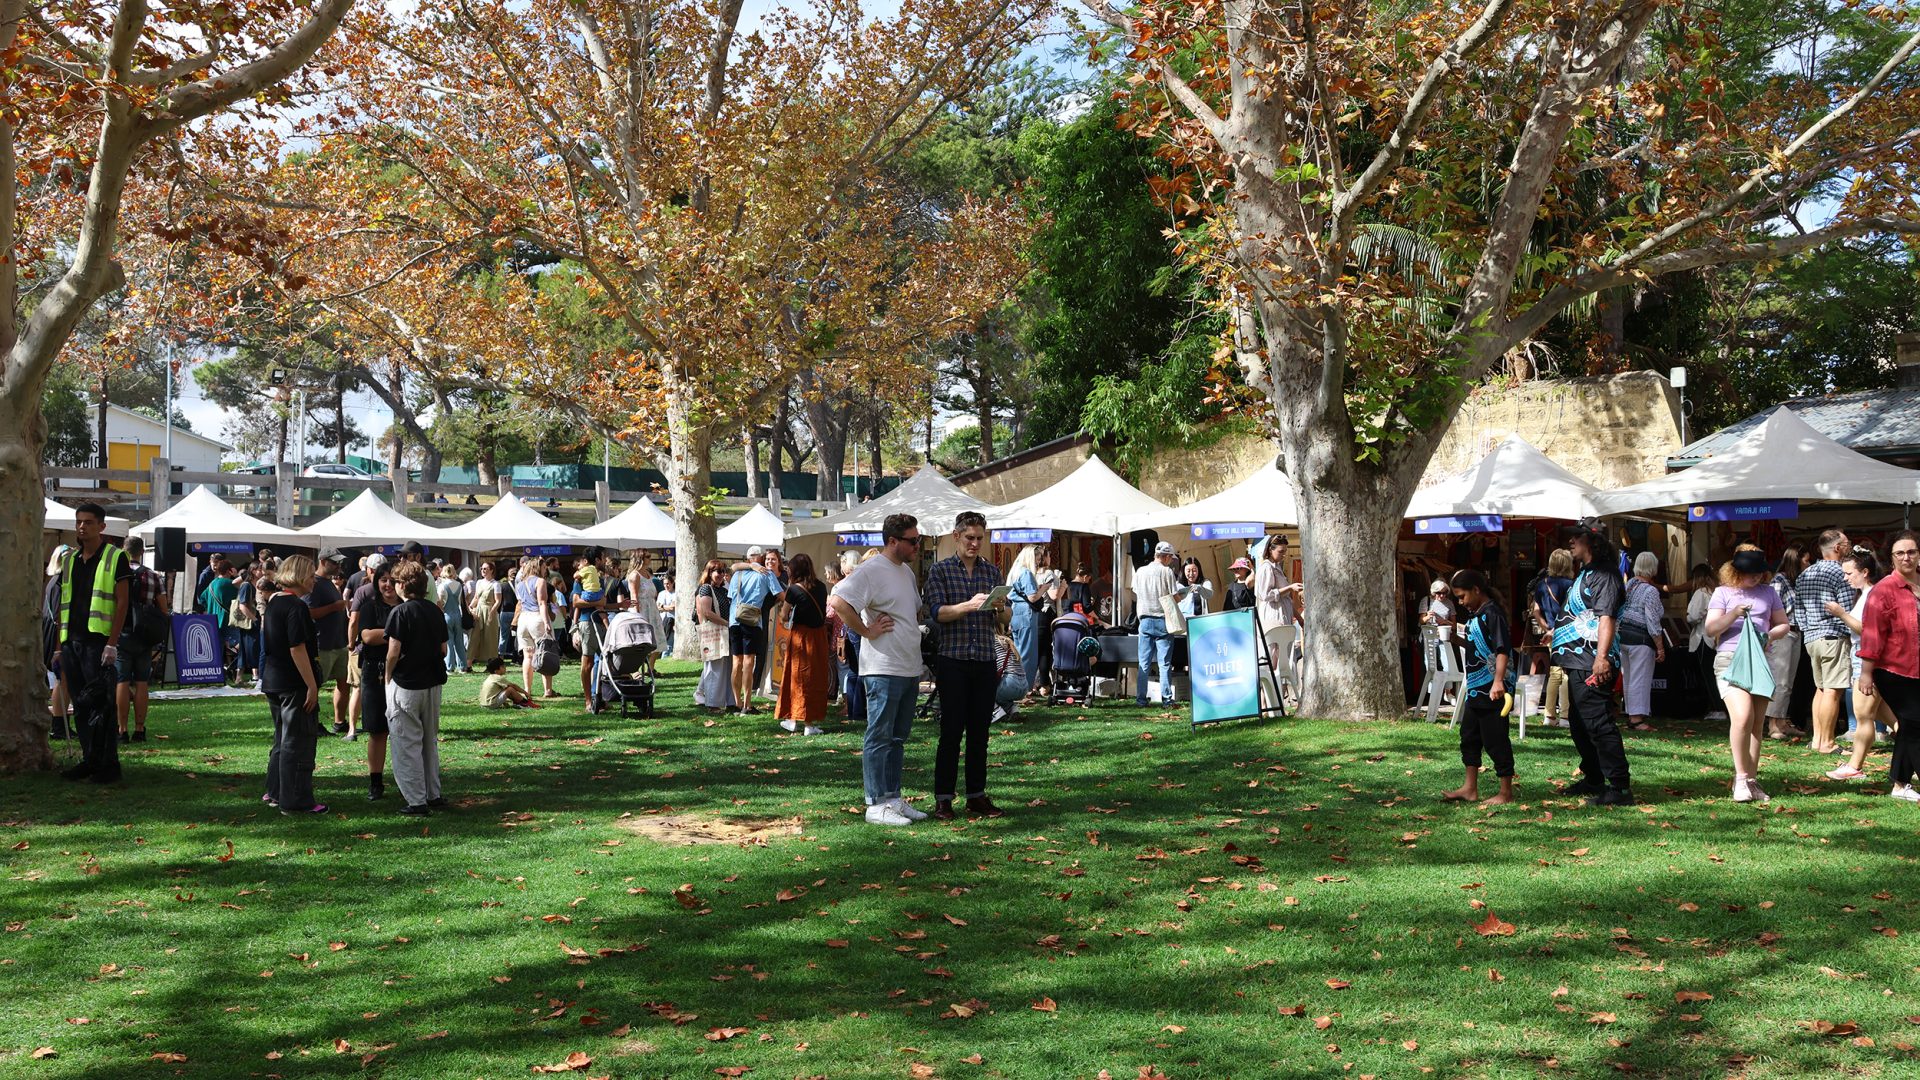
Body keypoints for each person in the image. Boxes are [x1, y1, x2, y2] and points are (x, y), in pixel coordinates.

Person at [829, 513, 930, 827]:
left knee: (897, 738)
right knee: (879, 736)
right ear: (893, 541)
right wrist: (865, 630)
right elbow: (838, 599)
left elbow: (911, 610)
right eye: (913, 541)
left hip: (908, 666)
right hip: (883, 668)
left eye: (919, 540)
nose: (918, 546)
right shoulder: (871, 569)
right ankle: (875, 804)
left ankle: (892, 798)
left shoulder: (906, 573)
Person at [924, 510, 1008, 820]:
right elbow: (936, 613)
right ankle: (943, 799)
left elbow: (1005, 618)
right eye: (969, 538)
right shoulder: (941, 571)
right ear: (956, 536)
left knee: (979, 732)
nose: (974, 543)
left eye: (979, 539)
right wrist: (968, 606)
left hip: (985, 658)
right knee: (950, 731)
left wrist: (999, 609)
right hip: (953, 659)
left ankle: (976, 796)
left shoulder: (991, 572)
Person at [1550, 525, 1634, 806]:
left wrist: (1601, 658)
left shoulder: (1605, 575)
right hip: (1578, 658)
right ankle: (1594, 776)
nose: (1570, 541)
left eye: (1578, 537)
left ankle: (1619, 787)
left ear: (1594, 542)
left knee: (1598, 723)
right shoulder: (1587, 572)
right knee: (1579, 723)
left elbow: (1606, 617)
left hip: (1592, 660)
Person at [1703, 544, 1787, 803]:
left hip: (1759, 660)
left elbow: (1783, 624)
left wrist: (1769, 636)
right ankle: (1740, 779)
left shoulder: (1769, 593)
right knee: (1742, 716)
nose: (1757, 577)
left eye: (1761, 572)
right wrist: (1734, 614)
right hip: (1730, 660)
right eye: (1751, 572)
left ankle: (1751, 780)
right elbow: (1710, 629)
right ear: (1735, 571)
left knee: (1755, 724)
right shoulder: (1723, 592)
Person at [55, 504, 132, 783]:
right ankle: (90, 760)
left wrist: (112, 644)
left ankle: (108, 765)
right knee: (81, 703)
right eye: (78, 522)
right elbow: (63, 606)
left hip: (98, 642)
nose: (81, 527)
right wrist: (58, 645)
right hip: (72, 641)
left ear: (101, 526)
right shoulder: (71, 560)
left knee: (103, 706)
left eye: (88, 522)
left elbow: (122, 603)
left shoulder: (115, 557)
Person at [1853, 531, 1920, 803]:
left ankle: (1900, 784)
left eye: (1911, 552)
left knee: (1909, 725)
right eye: (1900, 553)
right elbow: (1872, 634)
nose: (1907, 557)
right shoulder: (1883, 591)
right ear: (1891, 558)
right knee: (1915, 722)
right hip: (1893, 670)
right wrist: (1866, 672)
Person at [1441, 569, 1516, 805]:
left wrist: (1498, 681)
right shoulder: (1476, 615)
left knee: (1495, 738)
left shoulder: (1492, 614)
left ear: (1476, 589)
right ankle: (1469, 788)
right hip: (1474, 687)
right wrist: (1456, 639)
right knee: (1469, 736)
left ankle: (1505, 792)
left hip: (1490, 688)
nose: (1461, 603)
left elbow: (1502, 649)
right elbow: (1476, 646)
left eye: (1462, 596)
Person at [258, 556, 327, 814]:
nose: (314, 580)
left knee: (281, 739)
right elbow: (297, 648)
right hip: (292, 683)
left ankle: (276, 792)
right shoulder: (296, 606)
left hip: (274, 680)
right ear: (298, 576)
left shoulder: (274, 601)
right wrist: (311, 685)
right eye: (310, 575)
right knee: (297, 743)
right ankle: (296, 800)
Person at [385, 561, 450, 816]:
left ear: (402, 585)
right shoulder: (435, 611)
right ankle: (433, 794)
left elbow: (393, 651)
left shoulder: (400, 612)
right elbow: (444, 649)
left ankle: (416, 800)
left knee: (406, 742)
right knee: (429, 741)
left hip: (406, 683)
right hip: (432, 682)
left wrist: (388, 676)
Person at [1828, 547, 1890, 783]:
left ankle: (1854, 766)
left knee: (1864, 716)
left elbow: (1867, 631)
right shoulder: (1868, 594)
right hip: (1865, 658)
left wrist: (1841, 613)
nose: (1845, 578)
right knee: (1892, 719)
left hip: (1866, 660)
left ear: (1864, 572)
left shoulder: (1872, 596)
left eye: (1849, 573)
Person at [1794, 529, 1857, 754]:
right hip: (1833, 636)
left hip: (1811, 638)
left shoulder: (1805, 574)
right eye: (1847, 543)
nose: (1850, 546)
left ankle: (1818, 740)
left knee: (1820, 689)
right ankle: (1828, 743)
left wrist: (1808, 629)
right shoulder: (1842, 573)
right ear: (1838, 548)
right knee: (1833, 690)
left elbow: (1797, 611)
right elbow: (1848, 609)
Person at [352, 567, 399, 799]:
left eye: (393, 580)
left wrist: (385, 635)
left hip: (402, 672)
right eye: (383, 580)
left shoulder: (404, 606)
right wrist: (397, 633)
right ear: (376, 582)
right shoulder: (370, 607)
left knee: (402, 731)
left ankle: (406, 780)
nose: (388, 585)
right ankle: (376, 782)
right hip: (374, 672)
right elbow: (367, 636)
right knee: (377, 730)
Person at [1132, 541, 1196, 707]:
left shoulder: (1140, 571)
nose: (1171, 561)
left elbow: (1135, 591)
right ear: (1167, 557)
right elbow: (1174, 597)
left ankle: (1140, 699)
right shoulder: (1167, 571)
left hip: (1145, 620)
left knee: (1143, 663)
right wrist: (1185, 594)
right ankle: (1166, 699)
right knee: (1164, 663)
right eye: (1171, 558)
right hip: (1162, 619)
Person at [114, 536, 165, 745]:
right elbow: (163, 607)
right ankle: (140, 729)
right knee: (142, 681)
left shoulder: (117, 574)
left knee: (122, 681)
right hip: (144, 635)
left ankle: (122, 729)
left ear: (123, 551)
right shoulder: (153, 576)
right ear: (142, 552)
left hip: (121, 632)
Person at [775, 553, 831, 736]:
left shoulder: (793, 590)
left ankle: (795, 719)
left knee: (796, 675)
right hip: (819, 637)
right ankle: (807, 722)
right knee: (814, 678)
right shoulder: (822, 586)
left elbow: (784, 615)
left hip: (800, 636)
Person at [1619, 551, 1667, 733]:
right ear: (1653, 568)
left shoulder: (1629, 585)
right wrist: (1660, 646)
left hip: (1624, 637)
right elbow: (1653, 621)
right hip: (1640, 639)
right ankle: (1637, 719)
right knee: (1640, 679)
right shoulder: (1651, 591)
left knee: (1629, 678)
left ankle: (1631, 714)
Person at [1765, 542, 1808, 739]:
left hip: (1796, 633)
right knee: (1780, 680)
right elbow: (1770, 610)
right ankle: (1773, 724)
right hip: (1783, 633)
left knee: (1788, 681)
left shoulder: (1796, 580)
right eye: (1806, 560)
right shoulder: (1779, 580)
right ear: (1795, 560)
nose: (1808, 564)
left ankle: (1781, 721)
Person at [307, 550, 353, 734]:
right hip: (322, 643)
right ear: (323, 561)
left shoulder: (329, 583)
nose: (338, 567)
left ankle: (339, 722)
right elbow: (309, 612)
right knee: (315, 685)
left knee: (344, 682)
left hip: (338, 643)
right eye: (335, 563)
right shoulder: (314, 583)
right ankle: (312, 723)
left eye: (340, 563)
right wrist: (334, 607)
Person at [1529, 549, 1576, 728]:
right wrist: (1556, 630)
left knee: (1554, 674)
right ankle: (1564, 716)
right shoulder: (1570, 585)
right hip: (1566, 633)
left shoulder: (1541, 584)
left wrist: (1546, 629)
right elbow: (1571, 612)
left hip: (1550, 634)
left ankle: (1549, 716)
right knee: (1565, 675)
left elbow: (1535, 610)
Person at [727, 546, 776, 714]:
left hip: (734, 620)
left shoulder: (737, 575)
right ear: (760, 557)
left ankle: (737, 702)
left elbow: (731, 597)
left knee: (736, 662)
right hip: (752, 621)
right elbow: (781, 595)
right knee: (749, 661)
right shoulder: (766, 574)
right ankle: (747, 705)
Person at [693, 559, 737, 713]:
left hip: (725, 632)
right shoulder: (705, 589)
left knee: (727, 667)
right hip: (715, 633)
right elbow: (706, 612)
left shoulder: (724, 590)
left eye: (723, 571)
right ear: (709, 572)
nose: (721, 574)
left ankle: (729, 701)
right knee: (715, 668)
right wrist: (727, 623)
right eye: (717, 571)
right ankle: (713, 704)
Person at [1683, 563, 1723, 721]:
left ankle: (1716, 707)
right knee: (1714, 674)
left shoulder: (1701, 593)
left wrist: (1688, 617)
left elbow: (1693, 616)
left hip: (1703, 637)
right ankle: (1717, 706)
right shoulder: (1714, 592)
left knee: (1707, 675)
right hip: (1713, 638)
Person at [1255, 534, 1304, 663]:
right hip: (1273, 616)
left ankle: (1284, 682)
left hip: (1283, 614)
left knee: (1285, 655)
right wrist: (1290, 588)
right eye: (1280, 552)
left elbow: (1286, 599)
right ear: (1271, 550)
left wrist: (1299, 618)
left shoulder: (1277, 568)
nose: (1283, 555)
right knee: (1275, 654)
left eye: (1285, 552)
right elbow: (1266, 595)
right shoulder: (1266, 568)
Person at [514, 556, 556, 698]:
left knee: (528, 656)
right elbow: (542, 603)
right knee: (545, 653)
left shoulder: (520, 584)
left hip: (523, 620)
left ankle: (527, 690)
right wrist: (546, 622)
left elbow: (520, 603)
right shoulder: (540, 581)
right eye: (544, 568)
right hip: (536, 618)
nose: (546, 570)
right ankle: (548, 690)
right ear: (538, 567)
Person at [1006, 546, 1044, 696]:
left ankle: (1017, 687)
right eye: (1038, 558)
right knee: (1028, 654)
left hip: (1016, 613)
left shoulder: (1015, 572)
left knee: (1018, 653)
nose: (1039, 561)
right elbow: (1032, 597)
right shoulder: (1026, 573)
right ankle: (1025, 689)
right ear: (1030, 557)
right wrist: (1044, 588)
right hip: (1027, 614)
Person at [625, 551, 663, 677]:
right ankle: (635, 670)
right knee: (641, 643)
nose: (650, 558)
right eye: (647, 556)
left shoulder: (647, 574)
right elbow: (634, 597)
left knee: (657, 641)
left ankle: (650, 668)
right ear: (640, 558)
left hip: (652, 609)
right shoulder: (634, 575)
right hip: (641, 611)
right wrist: (638, 616)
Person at [990, 606, 1030, 723]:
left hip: (1009, 683)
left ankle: (997, 712)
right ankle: (1014, 711)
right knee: (1004, 697)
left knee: (981, 689)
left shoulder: (991, 641)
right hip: (1023, 685)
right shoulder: (1006, 641)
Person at [435, 563, 469, 674]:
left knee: (448, 641)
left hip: (447, 614)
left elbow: (440, 601)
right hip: (457, 614)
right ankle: (463, 666)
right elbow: (460, 601)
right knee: (459, 641)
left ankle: (450, 667)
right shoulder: (459, 585)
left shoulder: (442, 586)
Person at [468, 561, 502, 669]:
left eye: (485, 568)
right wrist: (470, 607)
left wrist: (492, 612)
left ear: (491, 570)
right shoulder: (479, 582)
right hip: (478, 612)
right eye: (482, 568)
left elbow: (498, 601)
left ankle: (491, 665)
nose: (483, 570)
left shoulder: (495, 584)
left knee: (490, 639)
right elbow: (476, 598)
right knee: (474, 637)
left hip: (489, 611)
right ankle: (468, 664)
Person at [658, 573, 678, 656]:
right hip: (662, 621)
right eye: (664, 584)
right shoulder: (661, 593)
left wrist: (662, 606)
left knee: (669, 644)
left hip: (672, 621)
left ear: (672, 583)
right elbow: (657, 607)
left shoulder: (676, 594)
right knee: (662, 643)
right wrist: (665, 607)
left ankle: (665, 657)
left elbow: (672, 608)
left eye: (668, 583)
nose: (666, 585)